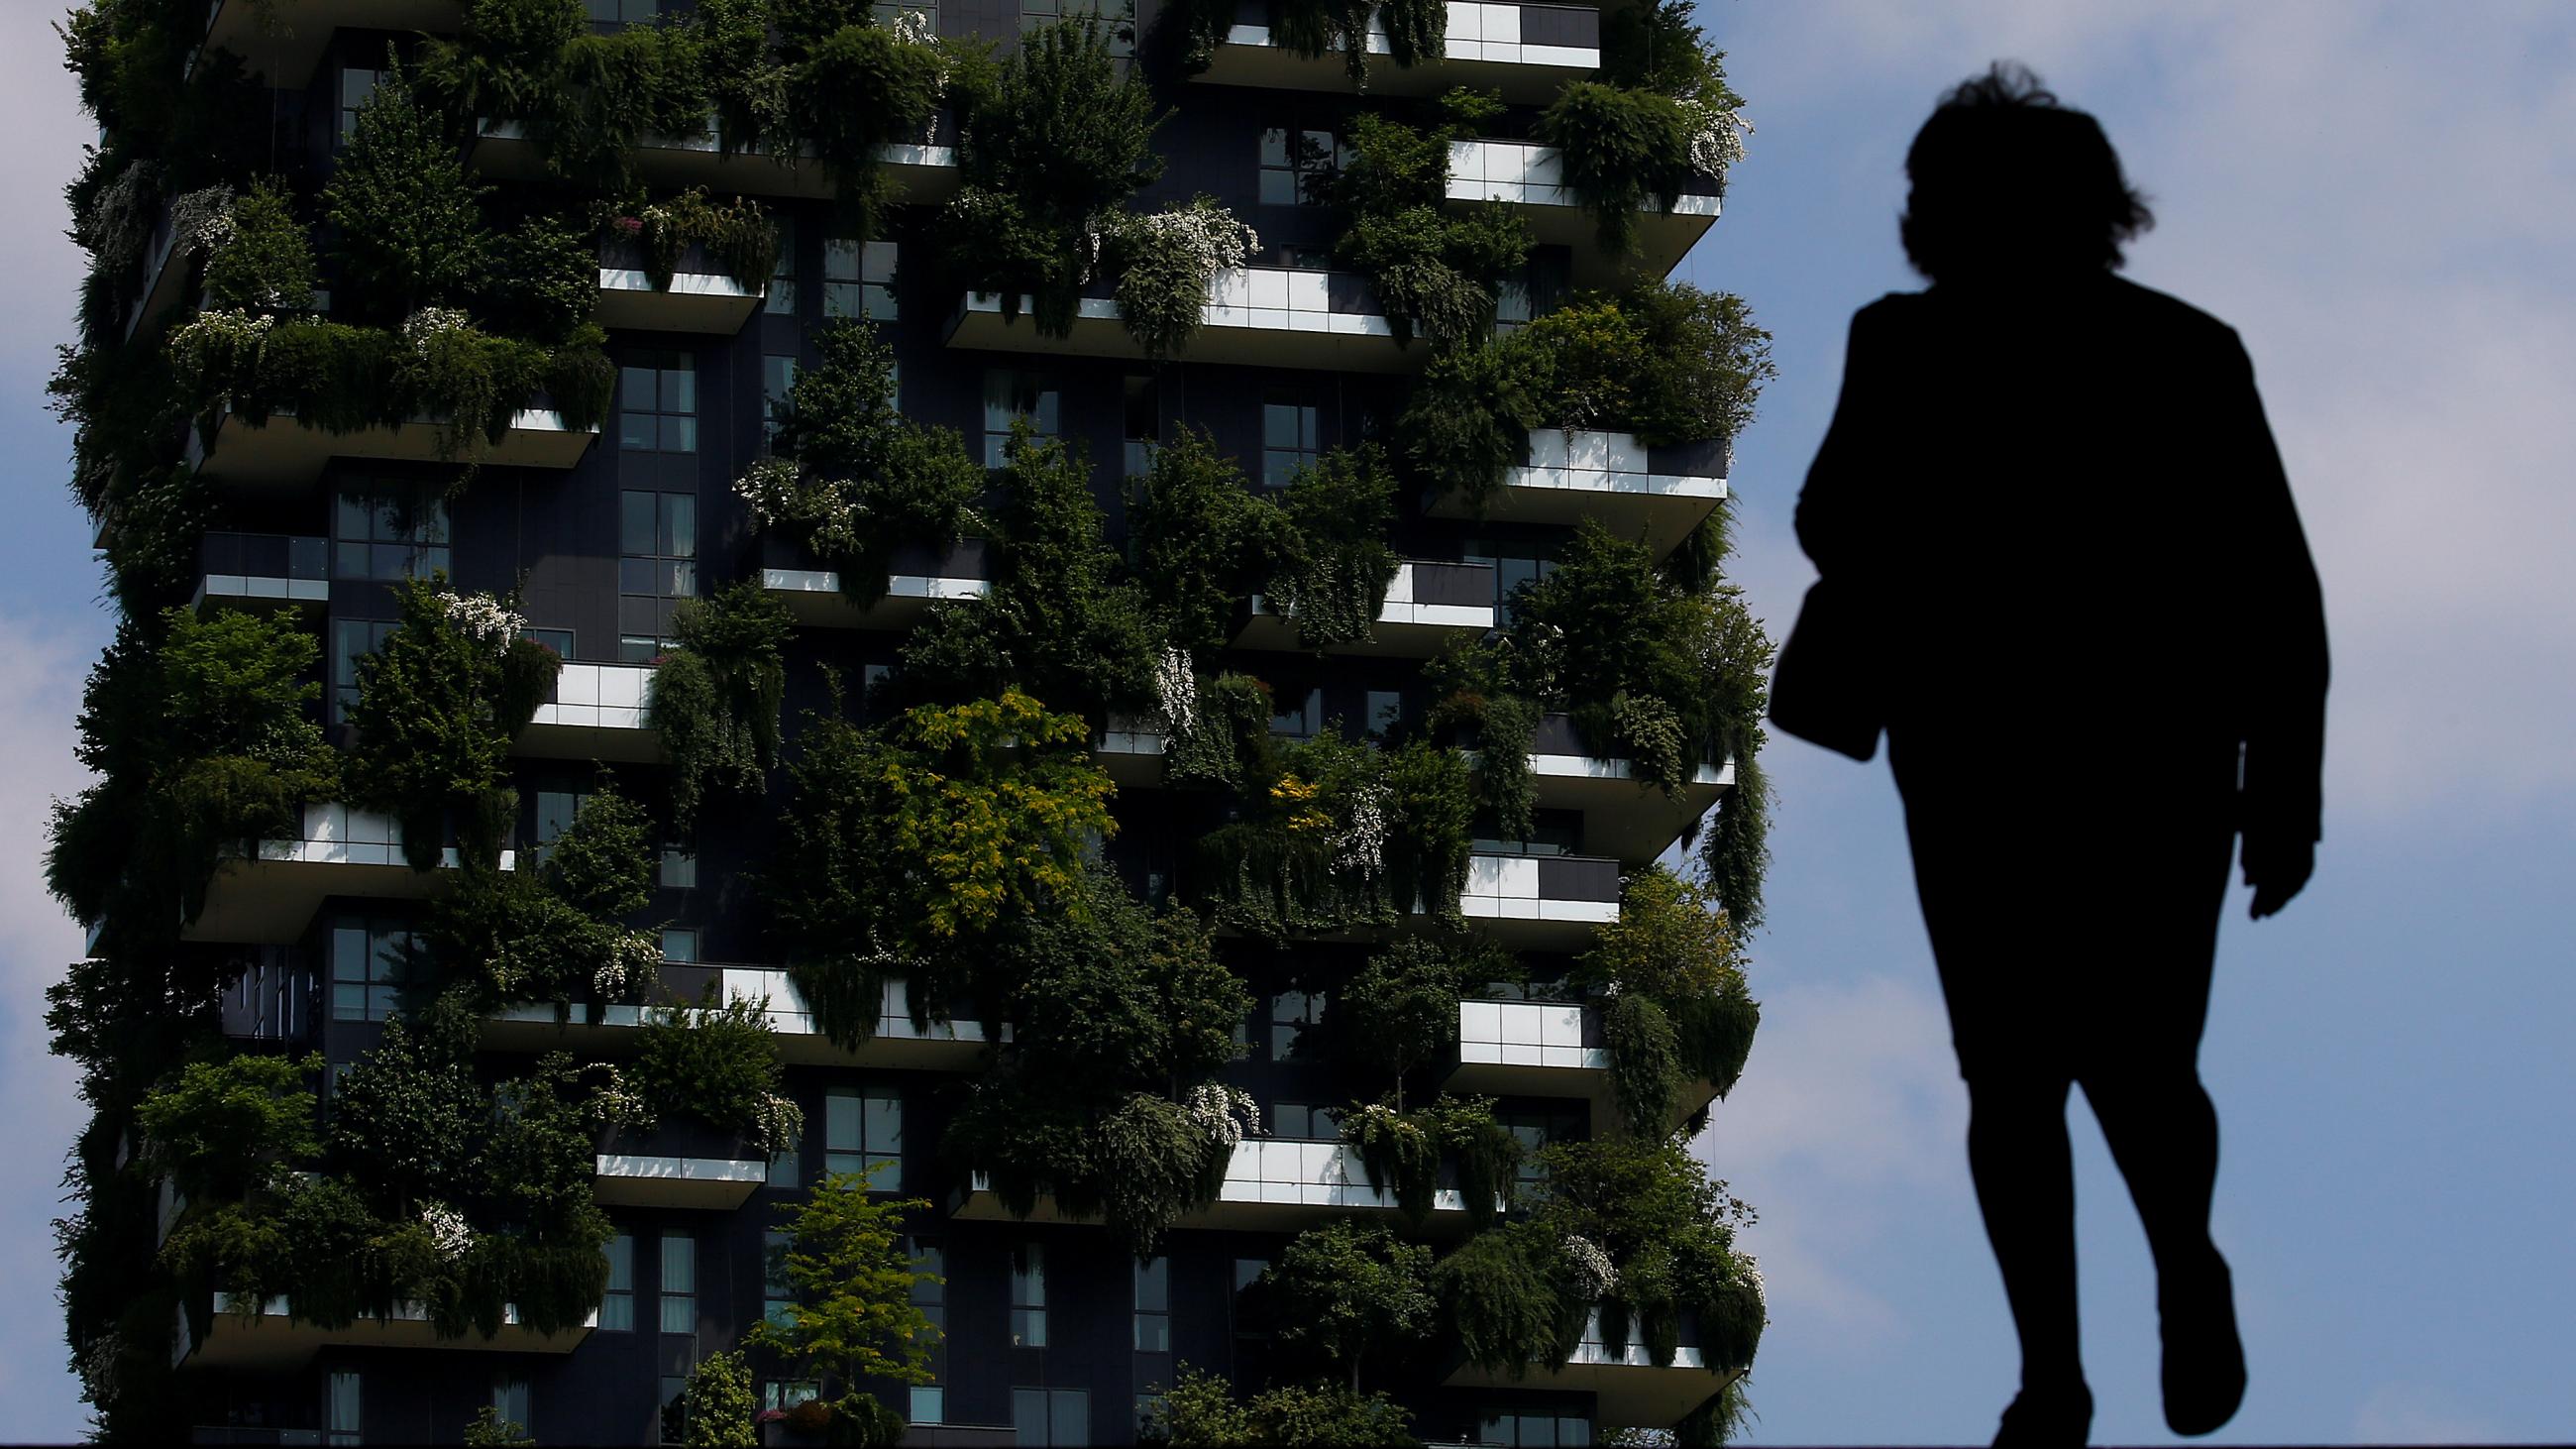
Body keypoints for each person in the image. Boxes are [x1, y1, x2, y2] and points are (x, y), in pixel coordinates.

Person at [1777, 63, 2330, 1446]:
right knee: (2074, 1063)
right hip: (2083, 756)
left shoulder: (1956, 346)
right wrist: (2284, 790)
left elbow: (1830, 521)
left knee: (2066, 1067)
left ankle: (2115, 1327)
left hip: (2045, 754)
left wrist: (2288, 790)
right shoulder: (2159, 348)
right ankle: (2105, 1334)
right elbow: (2280, 596)